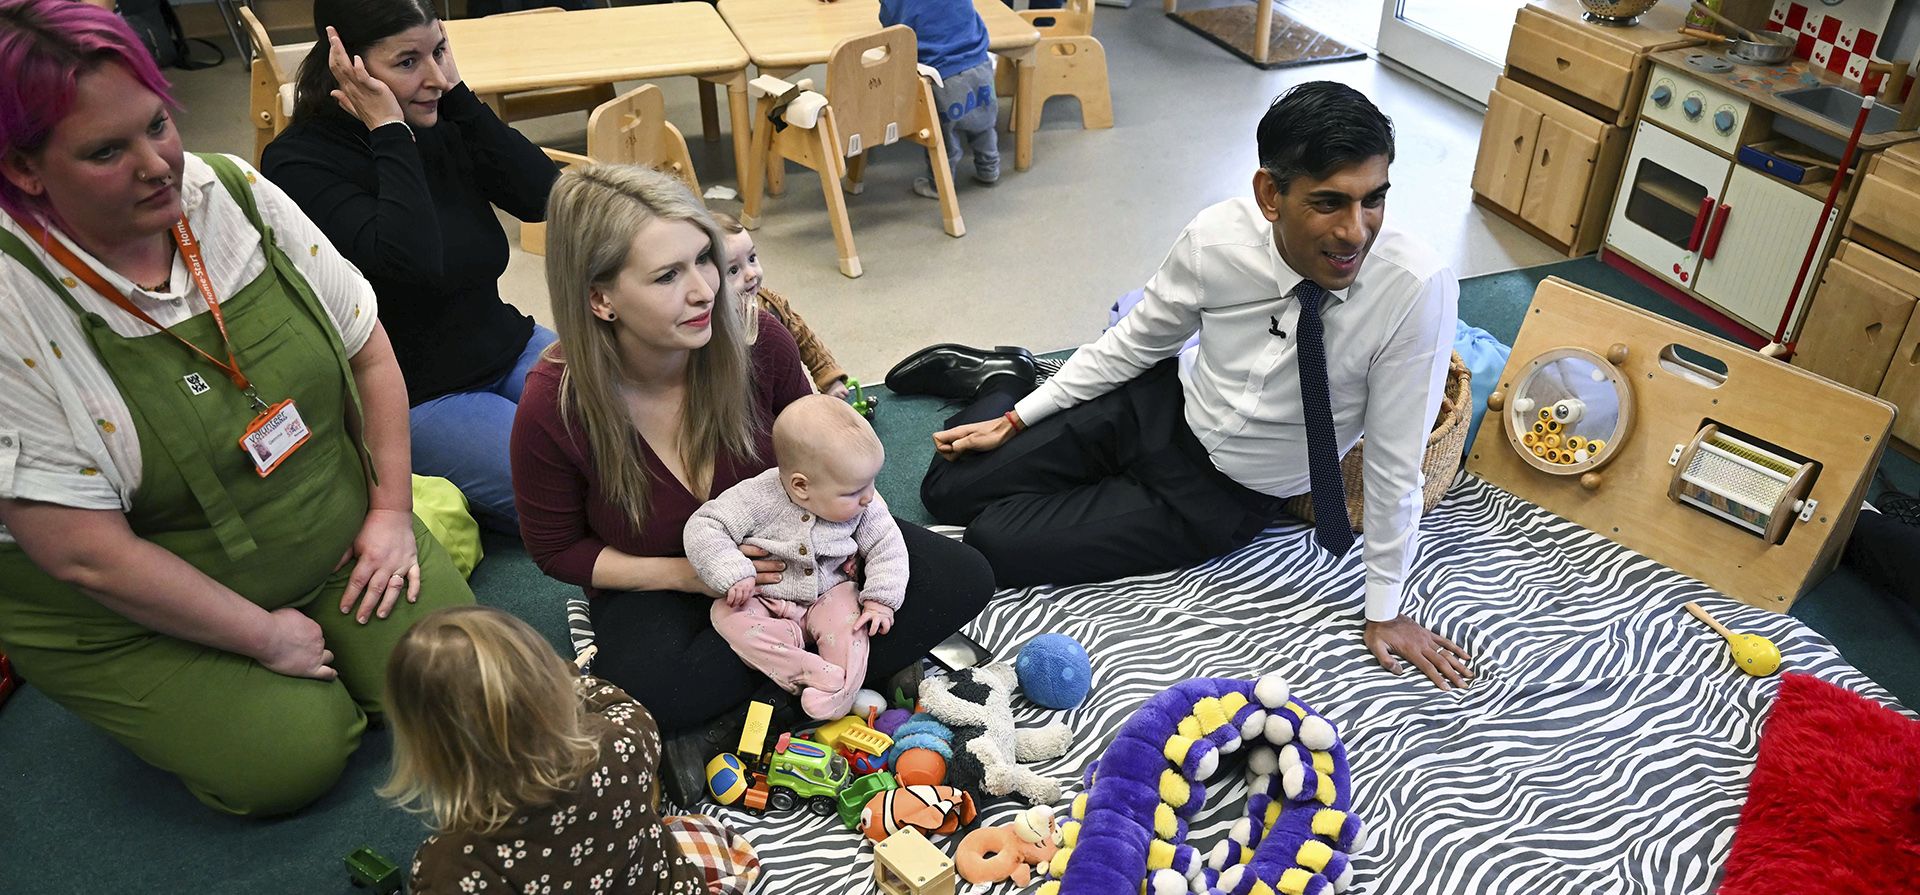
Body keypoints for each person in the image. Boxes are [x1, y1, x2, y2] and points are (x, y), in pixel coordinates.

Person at [0, 0, 472, 816]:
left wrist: (391, 512)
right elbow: (87, 557)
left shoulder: (233, 194)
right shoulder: (14, 305)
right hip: (124, 606)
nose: (157, 165)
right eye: (107, 150)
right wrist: (262, 635)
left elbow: (370, 351)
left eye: (157, 124)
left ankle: (340, 634)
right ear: (24, 169)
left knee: (457, 671)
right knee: (290, 758)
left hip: (320, 530)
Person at [921, 82, 1474, 691]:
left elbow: (1396, 464)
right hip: (1156, 407)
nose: (1355, 232)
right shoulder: (1218, 236)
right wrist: (1018, 417)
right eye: (1329, 203)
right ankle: (1007, 380)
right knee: (947, 487)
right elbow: (1135, 342)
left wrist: (1386, 609)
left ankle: (1014, 398)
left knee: (993, 540)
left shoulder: (1415, 289)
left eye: (1373, 201)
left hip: (1216, 498)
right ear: (1270, 194)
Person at [509, 165, 994, 804]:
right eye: (666, 276)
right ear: (600, 298)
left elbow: (820, 451)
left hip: (804, 553)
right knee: (648, 690)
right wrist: (689, 574)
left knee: (965, 576)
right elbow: (555, 550)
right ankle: (828, 682)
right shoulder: (553, 406)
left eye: (702, 260)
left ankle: (759, 712)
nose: (704, 289)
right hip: (664, 576)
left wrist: (853, 532)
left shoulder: (759, 339)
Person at [262, 0, 558, 533]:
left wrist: (461, 97)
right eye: (407, 62)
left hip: (508, 343)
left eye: (439, 50)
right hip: (419, 393)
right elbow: (411, 265)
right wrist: (389, 132)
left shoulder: (444, 112)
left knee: (649, 438)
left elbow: (543, 198)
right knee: (569, 490)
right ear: (346, 67)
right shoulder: (297, 162)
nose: (435, 78)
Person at [384, 606, 761, 895]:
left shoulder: (449, 863)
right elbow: (622, 704)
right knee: (702, 833)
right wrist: (567, 677)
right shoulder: (624, 740)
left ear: (426, 750)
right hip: (667, 884)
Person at [684, 395, 907, 721]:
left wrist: (881, 601)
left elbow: (888, 546)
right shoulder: (756, 497)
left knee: (854, 626)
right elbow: (704, 525)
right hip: (767, 599)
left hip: (830, 594)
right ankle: (805, 668)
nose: (869, 496)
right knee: (725, 614)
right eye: (853, 491)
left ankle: (839, 694)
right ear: (801, 486)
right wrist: (732, 570)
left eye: (871, 482)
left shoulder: (866, 504)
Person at [712, 212, 850, 399]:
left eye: (752, 258)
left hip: (786, 396)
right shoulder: (709, 325)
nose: (751, 274)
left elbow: (804, 339)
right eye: (734, 270)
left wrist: (829, 379)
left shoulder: (771, 305)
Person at [878, 0, 1000, 199]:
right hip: (979, 60)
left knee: (943, 136)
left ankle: (939, 186)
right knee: (984, 124)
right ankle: (989, 169)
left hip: (941, 74)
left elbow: (893, 30)